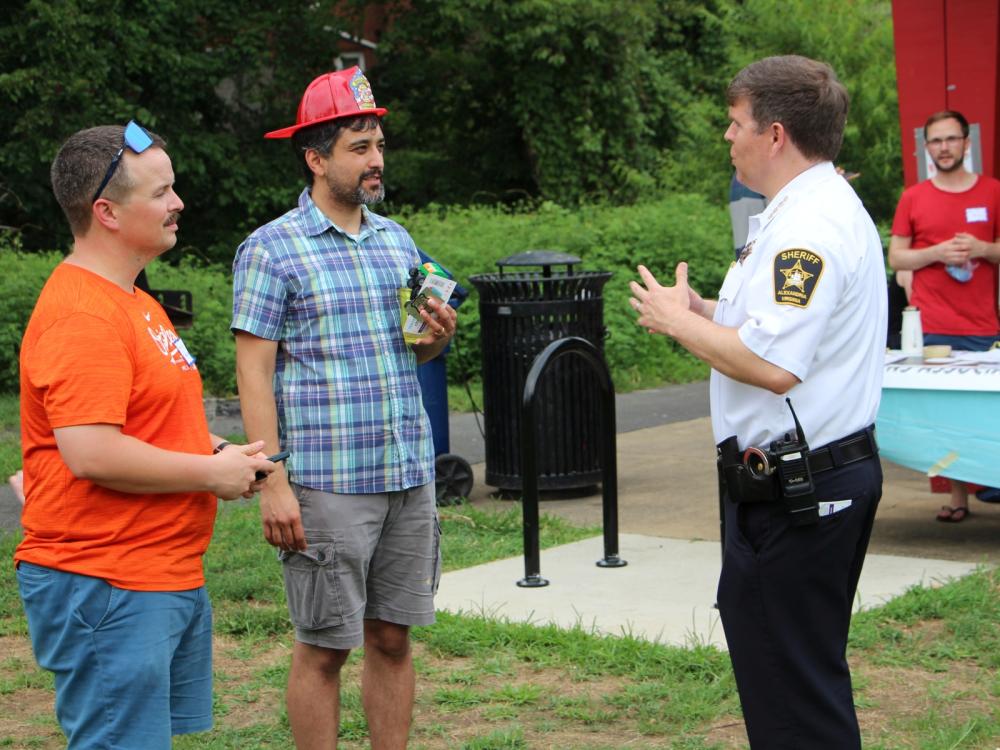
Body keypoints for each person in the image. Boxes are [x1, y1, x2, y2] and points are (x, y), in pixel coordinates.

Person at [630, 55, 886, 748]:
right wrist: (705, 308)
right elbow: (775, 327)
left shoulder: (810, 229)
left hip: (802, 490)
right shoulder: (797, 213)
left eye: (735, 122)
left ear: (775, 134)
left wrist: (676, 322)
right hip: (787, 484)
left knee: (795, 697)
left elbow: (775, 365)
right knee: (790, 681)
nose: (726, 136)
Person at [14, 123, 275, 749]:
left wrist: (213, 448)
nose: (177, 203)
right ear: (105, 211)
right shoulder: (85, 314)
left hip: (158, 573)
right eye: (161, 192)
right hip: (108, 580)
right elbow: (92, 450)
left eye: (173, 187)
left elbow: (145, 420)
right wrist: (210, 476)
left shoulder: (137, 302)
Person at [231, 67, 456, 749]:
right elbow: (253, 370)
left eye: (379, 145)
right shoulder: (270, 250)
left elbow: (409, 352)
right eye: (359, 147)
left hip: (407, 476)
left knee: (392, 639)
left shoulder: (396, 241)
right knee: (324, 647)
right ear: (316, 158)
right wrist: (273, 480)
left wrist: (434, 338)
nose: (376, 160)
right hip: (327, 485)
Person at [888, 109, 1000, 523]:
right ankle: (958, 498)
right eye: (936, 141)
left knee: (989, 413)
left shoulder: (992, 191)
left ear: (967, 144)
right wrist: (936, 253)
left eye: (951, 139)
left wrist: (983, 249)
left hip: (983, 323)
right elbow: (896, 256)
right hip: (932, 325)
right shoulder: (914, 197)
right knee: (945, 415)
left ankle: (991, 478)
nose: (944, 147)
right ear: (927, 147)